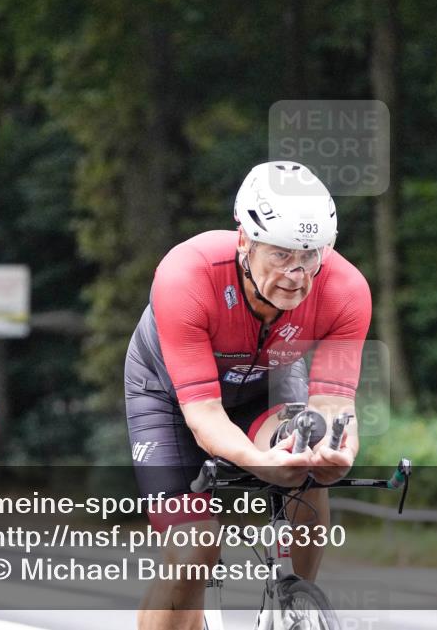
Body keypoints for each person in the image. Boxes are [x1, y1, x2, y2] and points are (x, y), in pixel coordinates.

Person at [124, 161, 371, 630]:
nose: (297, 274)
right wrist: (258, 462)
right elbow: (204, 416)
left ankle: (297, 608)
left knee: (310, 458)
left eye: (311, 255)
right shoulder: (187, 275)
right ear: (245, 242)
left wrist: (339, 452)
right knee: (195, 547)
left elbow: (335, 405)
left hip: (267, 383)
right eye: (280, 254)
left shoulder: (345, 290)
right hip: (170, 395)